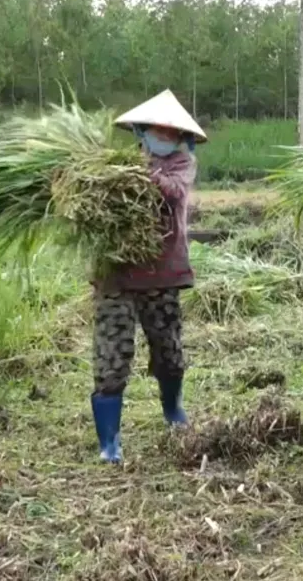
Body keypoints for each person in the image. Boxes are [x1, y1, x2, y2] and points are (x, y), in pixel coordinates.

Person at [89, 89, 205, 464]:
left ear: (182, 138)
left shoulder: (182, 166)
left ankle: (173, 410)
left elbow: (171, 193)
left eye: (170, 133)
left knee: (169, 352)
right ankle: (109, 443)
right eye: (155, 131)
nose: (162, 137)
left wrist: (139, 174)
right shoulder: (117, 165)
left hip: (163, 273)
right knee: (111, 357)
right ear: (141, 131)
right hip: (116, 275)